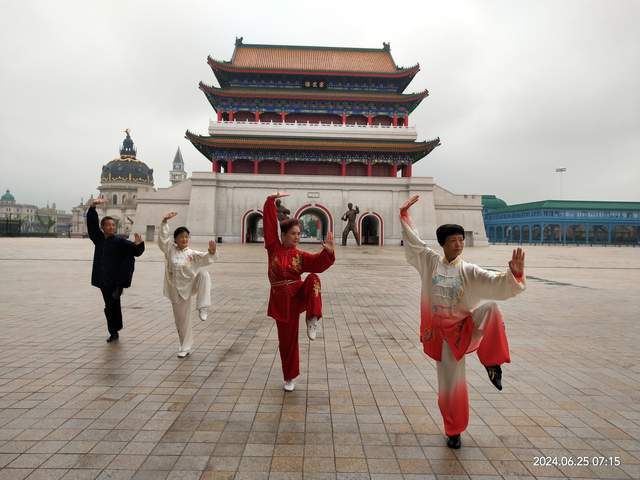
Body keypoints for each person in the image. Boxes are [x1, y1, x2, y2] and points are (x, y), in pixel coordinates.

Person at [400, 194, 526, 449]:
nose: (459, 245)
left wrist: (514, 274)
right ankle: (454, 430)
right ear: (443, 244)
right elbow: (414, 242)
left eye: (461, 240)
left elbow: (494, 282)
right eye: (453, 241)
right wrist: (404, 215)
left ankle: (492, 363)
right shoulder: (429, 261)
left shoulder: (468, 269)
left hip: (465, 327)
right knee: (450, 384)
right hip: (442, 336)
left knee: (491, 308)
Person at [263, 192, 335, 391]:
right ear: (284, 235)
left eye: (299, 233)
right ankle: (289, 377)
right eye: (294, 233)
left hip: (297, 296)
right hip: (280, 301)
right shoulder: (273, 248)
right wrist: (270, 201)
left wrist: (327, 252)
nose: (297, 237)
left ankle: (313, 318)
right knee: (287, 341)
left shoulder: (300, 255)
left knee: (313, 278)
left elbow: (319, 264)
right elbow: (270, 225)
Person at [158, 212, 217, 358]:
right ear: (176, 239)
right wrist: (165, 221)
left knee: (204, 274)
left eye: (186, 237)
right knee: (181, 320)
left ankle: (203, 306)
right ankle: (185, 346)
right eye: (181, 237)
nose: (184, 239)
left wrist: (211, 252)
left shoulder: (192, 253)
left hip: (191, 285)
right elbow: (162, 239)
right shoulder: (170, 250)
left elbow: (207, 258)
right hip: (176, 289)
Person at [86, 197, 145, 342]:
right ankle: (115, 329)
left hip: (115, 281)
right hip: (102, 279)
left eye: (113, 225)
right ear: (103, 227)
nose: (112, 227)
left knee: (112, 304)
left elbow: (135, 251)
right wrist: (92, 207)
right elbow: (91, 225)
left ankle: (114, 330)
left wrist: (139, 244)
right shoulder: (99, 239)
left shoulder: (120, 241)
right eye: (108, 225)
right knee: (110, 305)